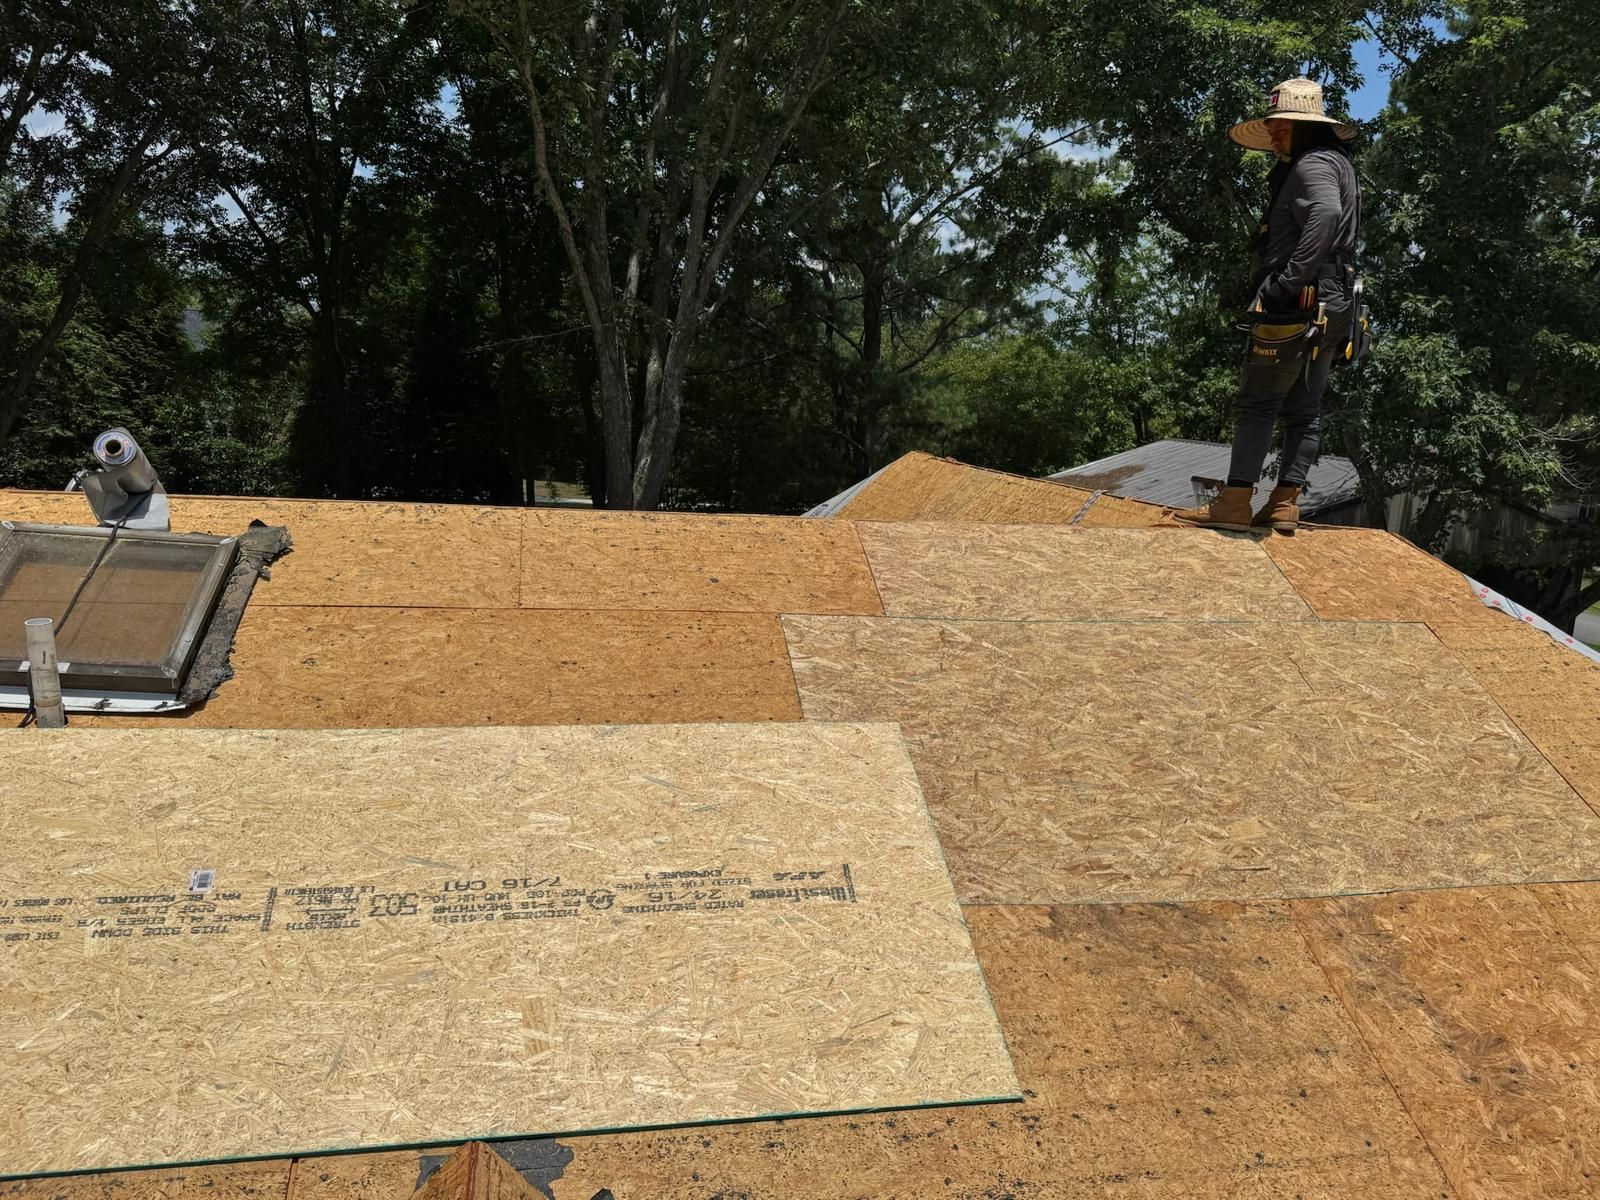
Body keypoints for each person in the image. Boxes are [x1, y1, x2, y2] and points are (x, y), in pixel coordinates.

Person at [1176, 77, 1361, 533]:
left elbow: (1326, 215)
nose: (1274, 135)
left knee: (1258, 403)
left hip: (1299, 300)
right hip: (1334, 300)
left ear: (1304, 128)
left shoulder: (1310, 165)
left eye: (1282, 126)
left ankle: (1235, 502)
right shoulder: (1338, 162)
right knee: (1305, 408)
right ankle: (1284, 503)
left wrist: (1285, 282)